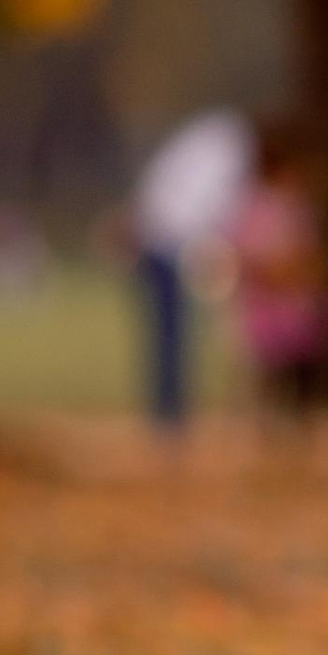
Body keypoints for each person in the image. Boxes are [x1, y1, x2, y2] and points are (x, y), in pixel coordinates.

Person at [122, 105, 250, 429]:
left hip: (164, 240)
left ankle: (169, 410)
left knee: (169, 334)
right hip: (172, 245)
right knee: (174, 333)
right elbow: (216, 204)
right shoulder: (231, 146)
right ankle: (170, 412)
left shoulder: (208, 138)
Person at [225, 119, 328, 416]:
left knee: (297, 367)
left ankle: (291, 425)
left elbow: (312, 255)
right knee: (275, 369)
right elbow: (246, 255)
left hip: (292, 298)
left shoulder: (293, 204)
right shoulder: (260, 204)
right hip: (270, 299)